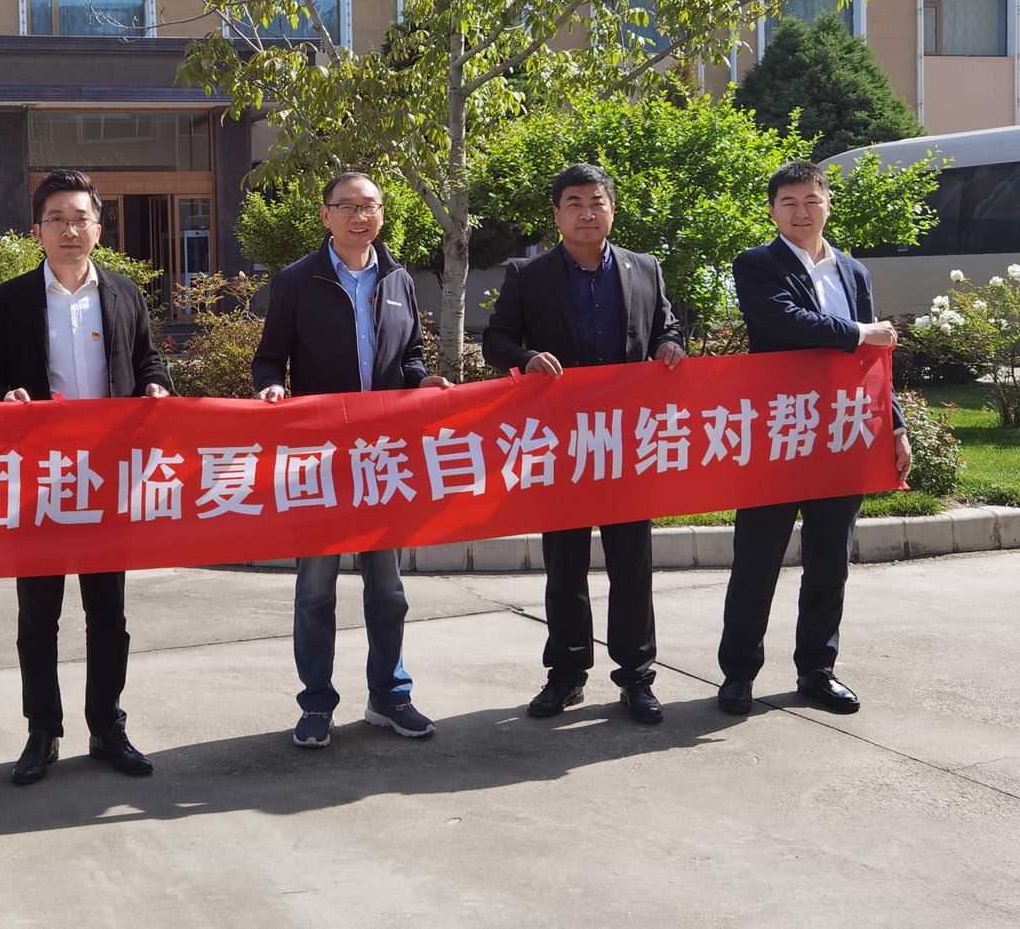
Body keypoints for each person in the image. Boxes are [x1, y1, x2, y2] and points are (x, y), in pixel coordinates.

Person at [0, 169, 171, 786]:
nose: (69, 229)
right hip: (39, 479)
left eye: (80, 218)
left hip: (107, 479)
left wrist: (156, 387)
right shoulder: (12, 299)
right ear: (37, 230)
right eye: (56, 218)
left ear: (98, 229)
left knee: (108, 614)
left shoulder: (124, 294)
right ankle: (42, 730)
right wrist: (5, 395)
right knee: (39, 616)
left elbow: (148, 360)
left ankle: (107, 725)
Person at [251, 171, 452, 750]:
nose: (359, 217)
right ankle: (316, 703)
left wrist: (422, 380)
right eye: (347, 207)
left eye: (369, 206)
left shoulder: (397, 278)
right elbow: (269, 358)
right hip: (320, 459)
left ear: (382, 214)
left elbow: (410, 355)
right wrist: (270, 388)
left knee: (387, 588)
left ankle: (390, 696)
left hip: (380, 458)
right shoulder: (298, 280)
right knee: (315, 588)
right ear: (325, 215)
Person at [481, 164, 686, 725]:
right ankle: (566, 673)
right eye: (574, 203)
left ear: (612, 209)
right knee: (565, 565)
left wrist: (670, 344)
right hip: (561, 445)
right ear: (557, 213)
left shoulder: (645, 268)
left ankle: (637, 676)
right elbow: (495, 339)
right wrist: (525, 358)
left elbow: (667, 326)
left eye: (597, 202)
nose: (586, 212)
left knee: (632, 565)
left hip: (627, 442)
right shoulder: (529, 274)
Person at [717, 160, 912, 716]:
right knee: (757, 559)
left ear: (827, 204)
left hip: (842, 434)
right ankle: (738, 675)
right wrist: (861, 332)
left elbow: (873, 363)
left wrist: (894, 425)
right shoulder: (756, 264)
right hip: (779, 432)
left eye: (811, 200)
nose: (800, 212)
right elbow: (785, 322)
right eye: (788, 203)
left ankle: (817, 670)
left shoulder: (853, 271)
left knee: (830, 561)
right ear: (773, 211)